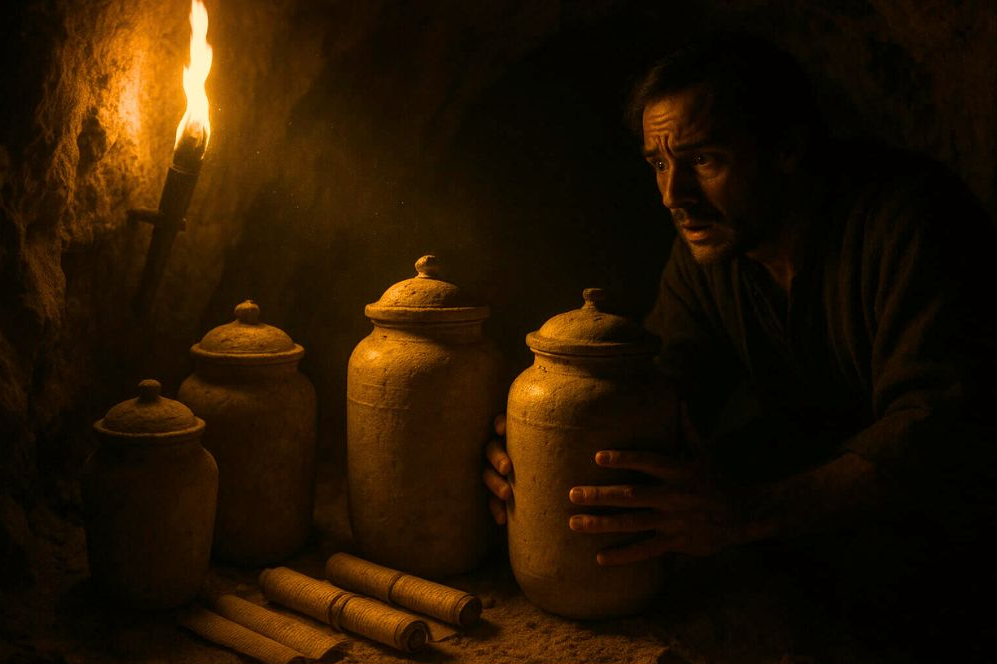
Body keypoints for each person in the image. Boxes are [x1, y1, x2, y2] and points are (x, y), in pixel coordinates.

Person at [484, 34, 996, 654]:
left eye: (704, 160)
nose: (675, 196)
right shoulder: (712, 250)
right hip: (825, 536)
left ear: (787, 148)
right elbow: (665, 394)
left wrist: (745, 514)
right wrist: (531, 456)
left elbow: (936, 435)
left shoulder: (909, 223)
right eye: (658, 164)